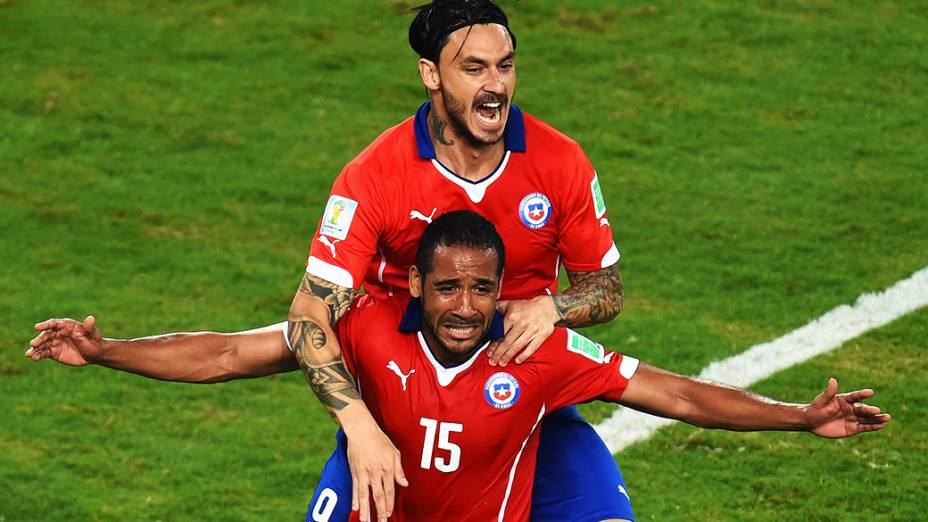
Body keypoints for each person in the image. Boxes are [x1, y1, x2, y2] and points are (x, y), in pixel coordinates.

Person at [33, 1, 633, 520]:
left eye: (505, 66)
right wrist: (361, 428)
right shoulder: (375, 177)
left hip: (523, 389)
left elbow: (606, 288)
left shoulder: (560, 162)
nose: (496, 86)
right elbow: (296, 323)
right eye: (473, 68)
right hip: (398, 398)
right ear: (430, 73)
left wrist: (552, 306)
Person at [29, 211, 890, 522]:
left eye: (482, 289)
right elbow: (227, 352)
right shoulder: (362, 325)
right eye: (448, 288)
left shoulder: (540, 349)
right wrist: (106, 351)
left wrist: (797, 418)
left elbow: (672, 392)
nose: (467, 307)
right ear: (415, 282)